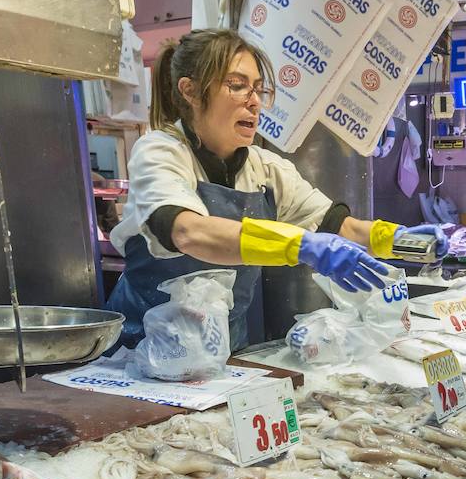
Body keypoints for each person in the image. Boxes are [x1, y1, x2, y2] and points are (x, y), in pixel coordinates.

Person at [106, 29, 446, 350]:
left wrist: (404, 241)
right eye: (237, 86)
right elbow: (188, 231)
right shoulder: (160, 151)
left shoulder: (265, 168)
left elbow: (338, 226)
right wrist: (301, 245)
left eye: (258, 89)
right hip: (144, 349)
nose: (254, 102)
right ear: (190, 91)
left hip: (221, 349)